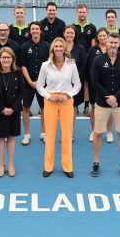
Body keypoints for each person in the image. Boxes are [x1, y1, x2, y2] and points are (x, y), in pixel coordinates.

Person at [90, 32, 120, 178]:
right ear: (106, 43)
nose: (113, 45)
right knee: (98, 134)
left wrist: (116, 96)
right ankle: (96, 163)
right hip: (102, 104)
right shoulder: (97, 60)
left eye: (116, 43)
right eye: (111, 42)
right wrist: (107, 97)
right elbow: (94, 82)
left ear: (119, 43)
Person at [37, 38, 82, 178]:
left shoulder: (71, 65)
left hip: (66, 102)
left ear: (64, 48)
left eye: (60, 46)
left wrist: (68, 95)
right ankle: (48, 167)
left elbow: (78, 84)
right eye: (55, 46)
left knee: (67, 135)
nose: (58, 49)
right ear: (52, 49)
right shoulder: (45, 65)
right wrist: (49, 96)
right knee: (49, 135)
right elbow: (39, 85)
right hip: (50, 101)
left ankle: (67, 166)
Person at [0, 47, 25, 177]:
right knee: (0, 138)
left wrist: (13, 108)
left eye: (8, 57)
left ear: (12, 59)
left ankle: (10, 164)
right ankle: (0, 164)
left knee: (11, 137)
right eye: (3, 57)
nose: (6, 60)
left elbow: (21, 91)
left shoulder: (18, 72)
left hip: (13, 111)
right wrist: (2, 109)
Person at [20, 21, 49, 145]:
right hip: (28, 84)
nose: (35, 31)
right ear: (30, 31)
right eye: (33, 29)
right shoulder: (25, 47)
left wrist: (40, 82)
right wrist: (30, 81)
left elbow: (49, 65)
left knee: (44, 108)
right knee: (26, 108)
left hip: (43, 84)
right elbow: (23, 66)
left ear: (40, 31)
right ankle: (26, 135)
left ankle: (44, 133)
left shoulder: (47, 46)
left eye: (37, 29)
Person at [86, 28, 113, 142]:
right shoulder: (92, 50)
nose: (102, 38)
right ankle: (94, 131)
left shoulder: (112, 50)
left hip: (110, 84)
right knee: (94, 107)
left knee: (110, 107)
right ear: (97, 37)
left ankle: (109, 132)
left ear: (107, 37)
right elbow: (89, 67)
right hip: (95, 84)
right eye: (100, 36)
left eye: (104, 35)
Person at [73, 4, 97, 115]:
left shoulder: (92, 27)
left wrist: (88, 57)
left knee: (86, 83)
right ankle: (75, 106)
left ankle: (86, 107)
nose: (82, 14)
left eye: (84, 12)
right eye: (80, 12)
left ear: (87, 12)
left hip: (88, 60)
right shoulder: (73, 27)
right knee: (74, 83)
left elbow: (92, 45)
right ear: (77, 12)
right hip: (76, 60)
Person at [63, 25, 86, 117]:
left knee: (73, 107)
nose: (69, 35)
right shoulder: (59, 47)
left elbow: (83, 64)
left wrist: (74, 78)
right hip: (61, 84)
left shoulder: (80, 48)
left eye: (72, 33)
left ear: (75, 35)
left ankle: (70, 131)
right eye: (67, 32)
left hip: (74, 83)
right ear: (64, 34)